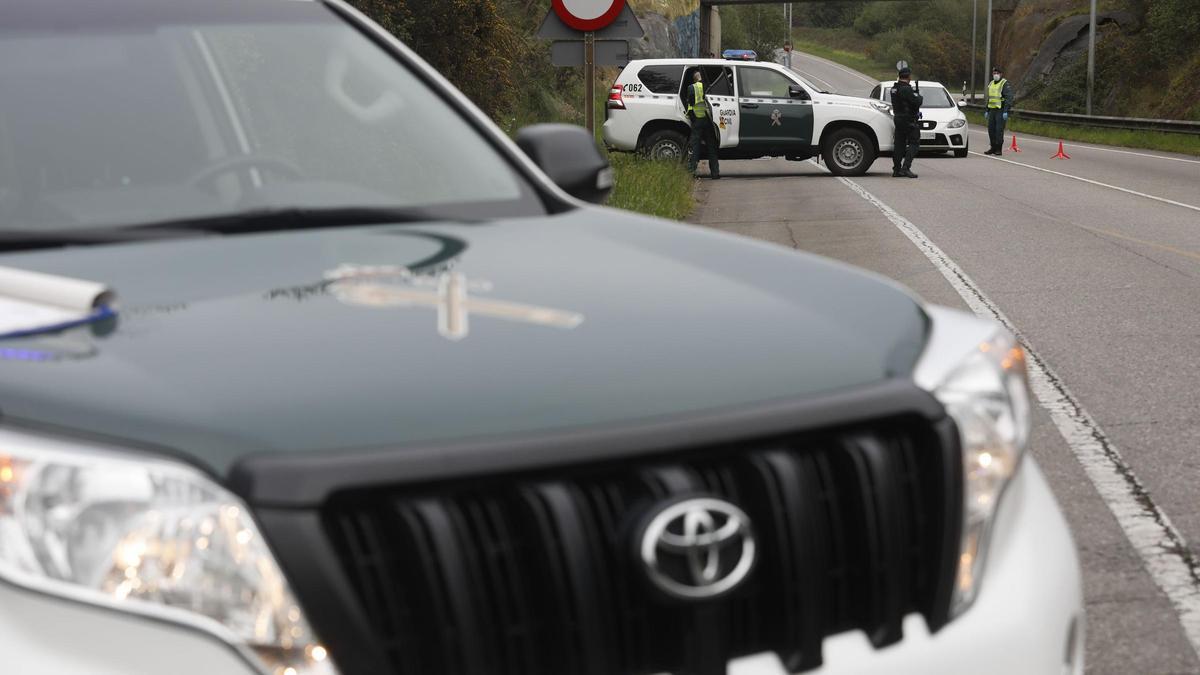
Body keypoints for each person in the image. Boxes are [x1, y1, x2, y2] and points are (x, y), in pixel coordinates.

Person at [685, 70, 720, 179]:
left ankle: (691, 172)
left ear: (694, 79)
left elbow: (690, 104)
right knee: (711, 147)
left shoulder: (692, 88)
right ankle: (715, 173)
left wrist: (692, 117)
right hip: (709, 120)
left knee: (695, 147)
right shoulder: (709, 86)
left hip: (697, 120)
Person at [890, 65, 922, 178]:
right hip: (908, 119)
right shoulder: (906, 89)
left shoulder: (894, 88)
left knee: (899, 144)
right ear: (908, 77)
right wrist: (918, 95)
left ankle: (896, 169)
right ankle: (906, 168)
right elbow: (917, 101)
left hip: (898, 118)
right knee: (914, 143)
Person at [984, 65, 1014, 155]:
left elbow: (1009, 98)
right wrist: (987, 110)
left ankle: (998, 149)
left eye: (997, 73)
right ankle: (992, 147)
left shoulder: (1004, 83)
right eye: (994, 73)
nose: (995, 75)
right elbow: (990, 98)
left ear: (1001, 74)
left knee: (998, 130)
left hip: (1000, 110)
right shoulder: (991, 83)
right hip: (992, 110)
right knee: (991, 129)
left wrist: (1006, 111)